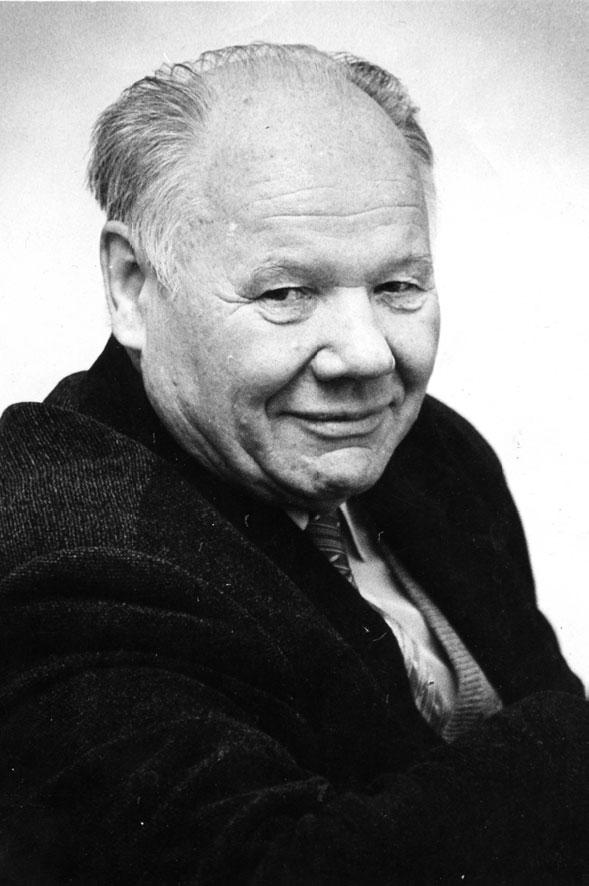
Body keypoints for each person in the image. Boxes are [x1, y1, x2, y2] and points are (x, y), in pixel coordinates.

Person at [0, 42, 586, 884]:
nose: (367, 356)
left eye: (397, 286)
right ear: (132, 286)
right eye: (286, 294)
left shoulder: (432, 454)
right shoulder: (63, 555)